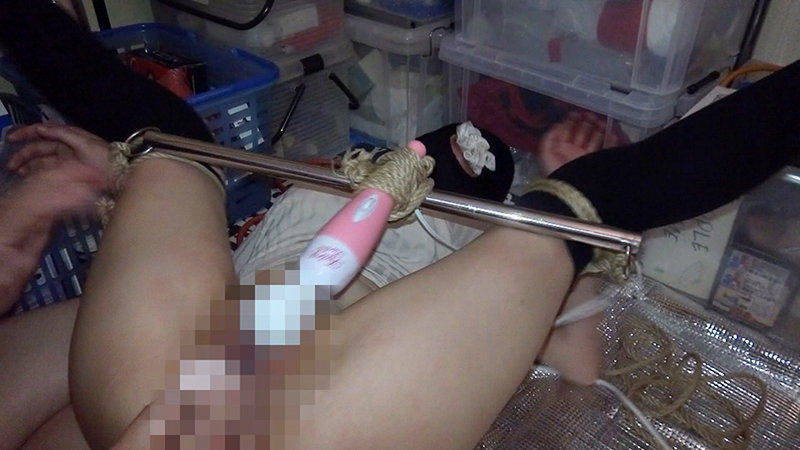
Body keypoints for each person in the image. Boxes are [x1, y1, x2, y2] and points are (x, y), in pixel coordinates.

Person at [1, 0, 799, 447]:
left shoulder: (369, 221)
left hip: (200, 368)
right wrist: (565, 235)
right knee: (578, 212)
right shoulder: (455, 263)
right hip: (293, 410)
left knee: (170, 149)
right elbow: (576, 359)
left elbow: (570, 351)